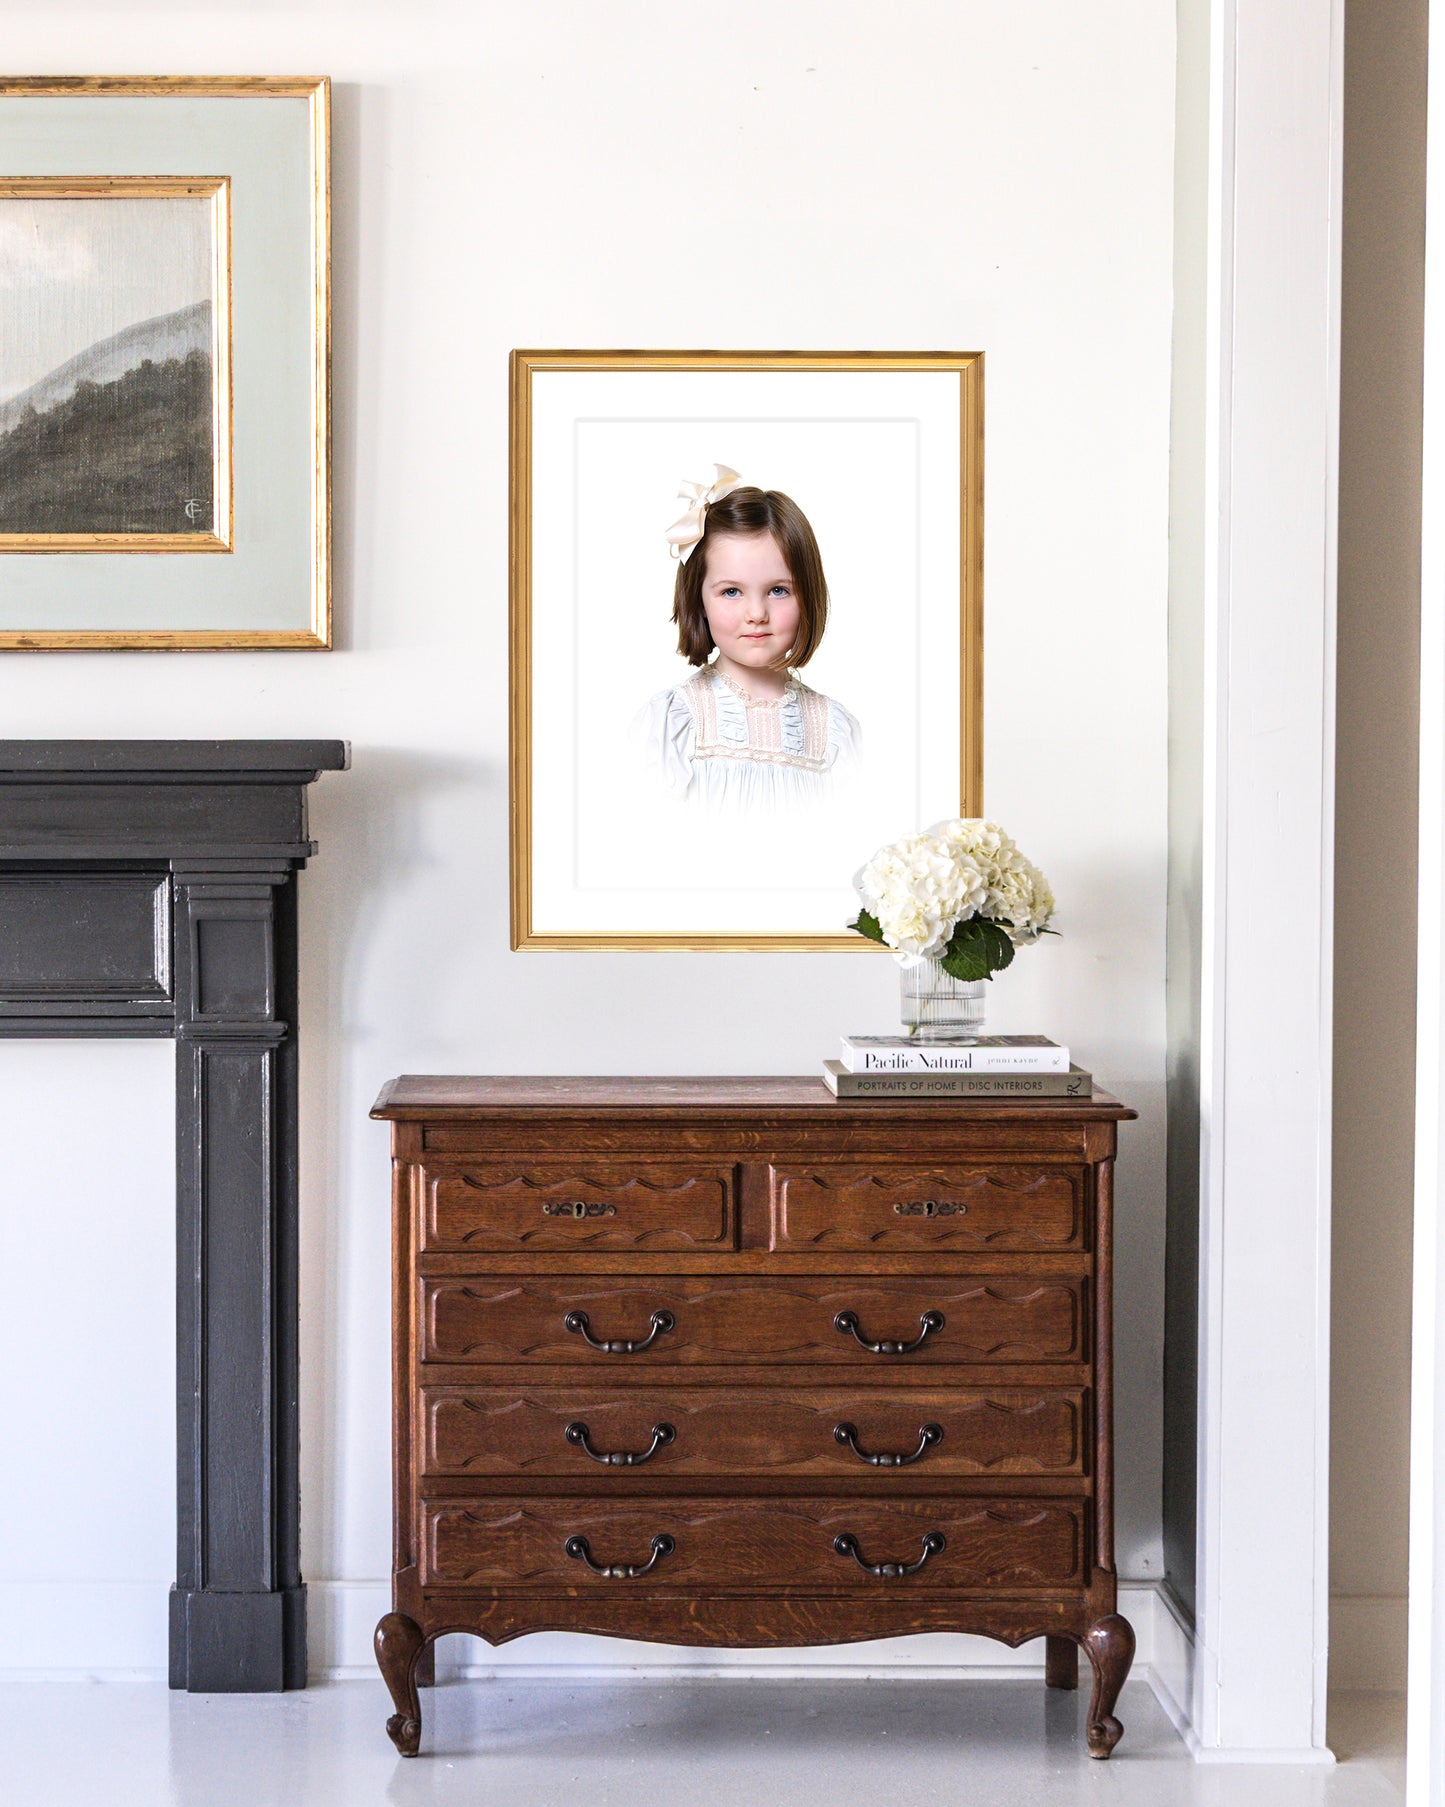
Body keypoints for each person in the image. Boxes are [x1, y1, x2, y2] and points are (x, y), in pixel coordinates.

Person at [635, 465, 861, 813]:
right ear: (699, 600)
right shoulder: (675, 722)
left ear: (808, 596)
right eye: (731, 592)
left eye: (778, 590)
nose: (756, 613)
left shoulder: (834, 732)